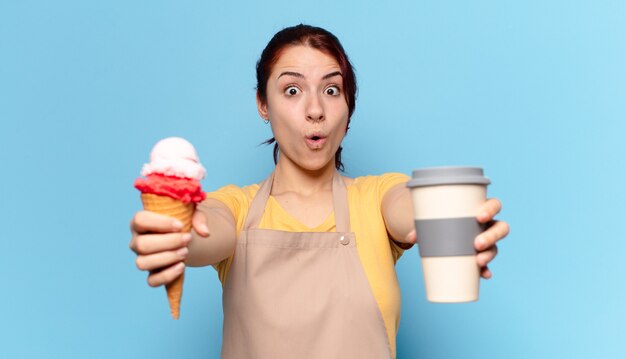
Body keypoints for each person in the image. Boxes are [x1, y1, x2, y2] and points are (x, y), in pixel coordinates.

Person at [129, 24, 509, 359]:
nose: (315, 110)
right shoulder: (236, 207)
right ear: (263, 104)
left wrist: (455, 221)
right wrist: (170, 233)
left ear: (348, 106)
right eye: (292, 90)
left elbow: (410, 207)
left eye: (331, 89)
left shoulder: (376, 198)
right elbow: (205, 231)